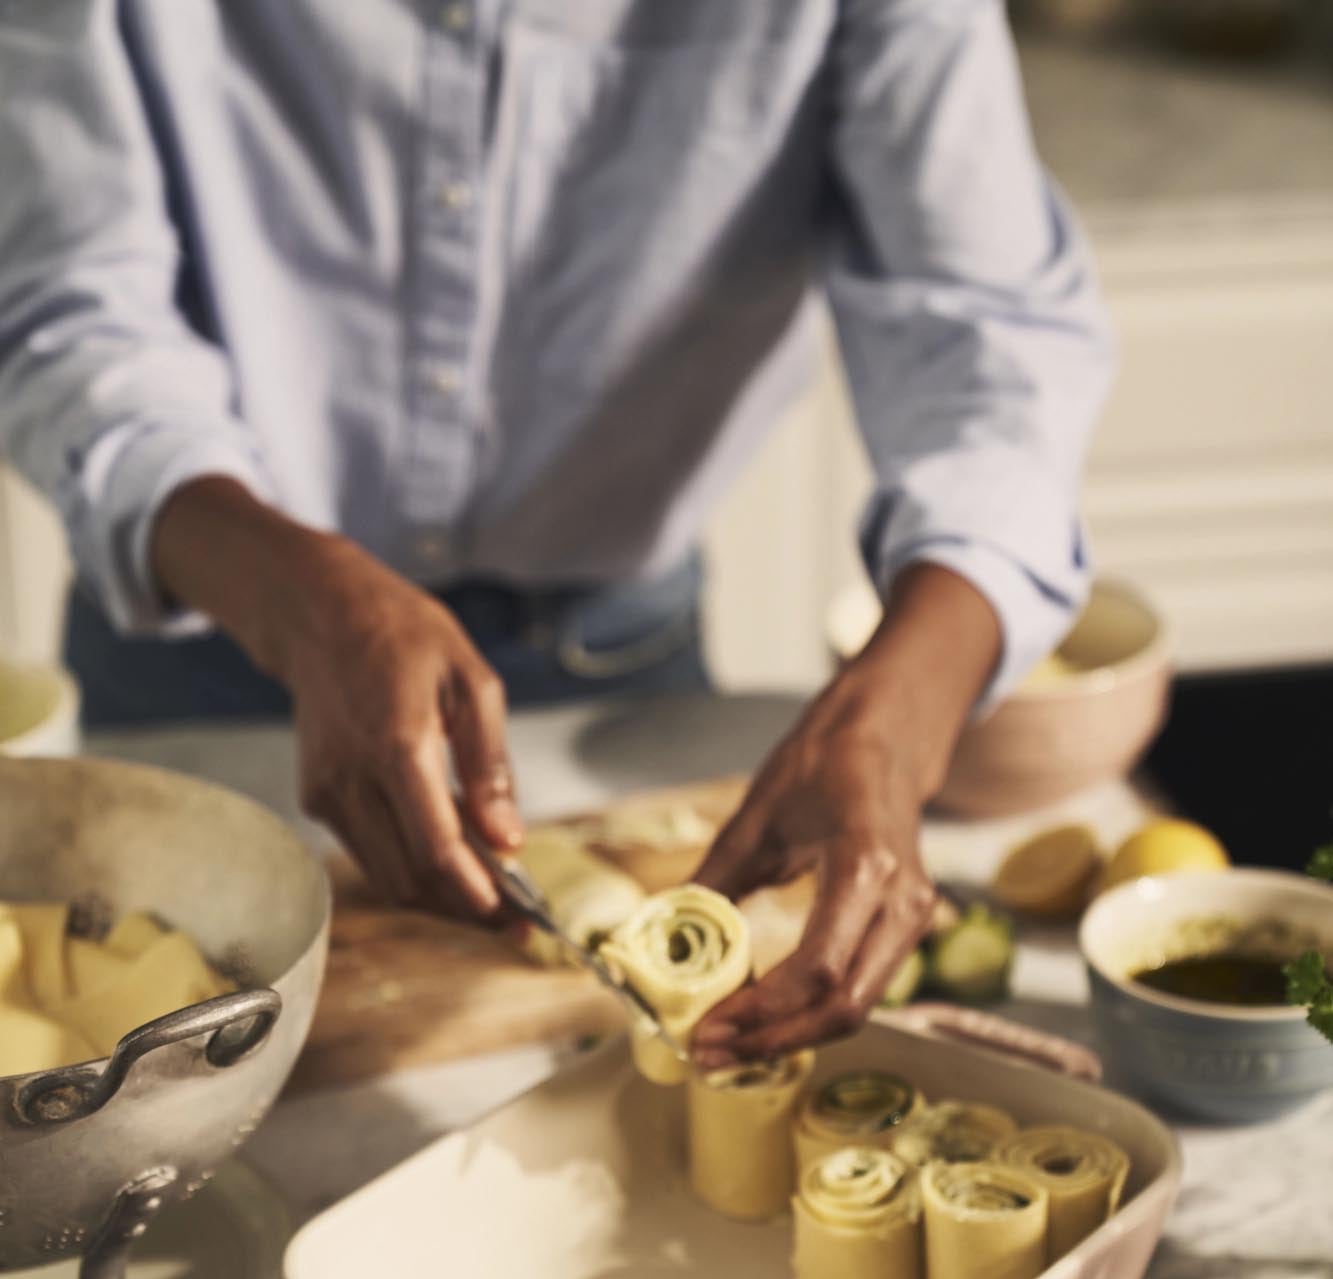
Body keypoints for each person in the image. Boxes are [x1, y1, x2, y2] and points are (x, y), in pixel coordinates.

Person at [0, 2, 1111, 1068]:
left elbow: (989, 334)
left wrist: (897, 719)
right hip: (200, 632)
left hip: (623, 668)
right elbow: (62, 305)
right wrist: (298, 598)